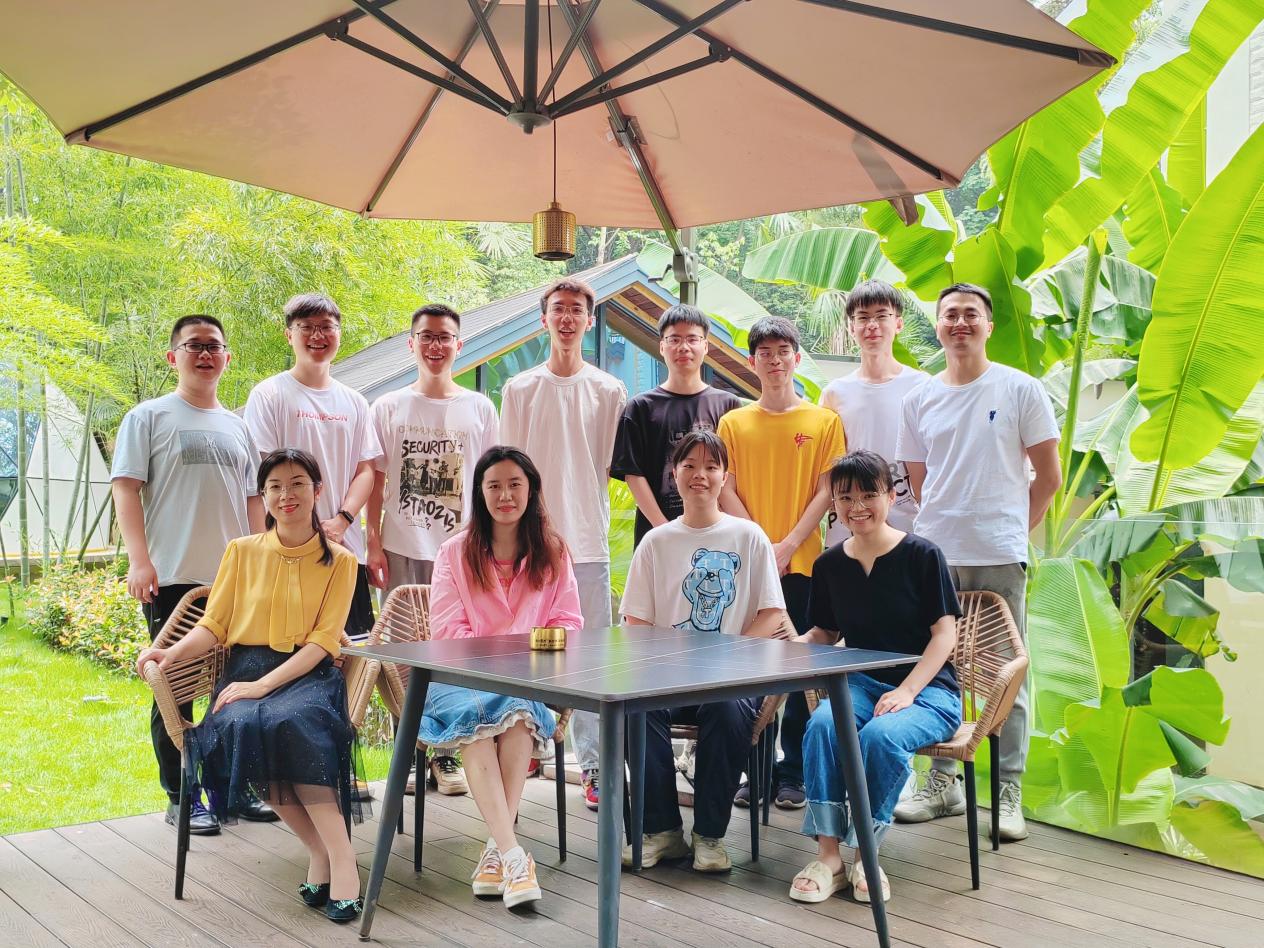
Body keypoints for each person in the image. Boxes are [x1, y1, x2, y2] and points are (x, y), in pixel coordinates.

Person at [135, 449, 365, 923]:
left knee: (292, 723)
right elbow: (214, 624)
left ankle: (344, 861)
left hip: (309, 675)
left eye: (297, 483)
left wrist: (264, 685)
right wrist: (170, 653)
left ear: (317, 491)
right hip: (244, 669)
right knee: (239, 726)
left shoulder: (342, 561)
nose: (286, 495)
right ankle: (318, 850)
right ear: (264, 495)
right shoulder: (241, 551)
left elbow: (324, 642)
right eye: (274, 486)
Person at [894, 283, 1061, 842]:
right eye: (950, 315)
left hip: (998, 555)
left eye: (971, 314)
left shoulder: (1020, 388)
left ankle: (1008, 791)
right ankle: (942, 782)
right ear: (938, 325)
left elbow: (1049, 477)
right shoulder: (919, 397)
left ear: (988, 325)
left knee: (1006, 673)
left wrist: (1010, 529)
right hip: (936, 556)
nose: (959, 323)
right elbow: (920, 479)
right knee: (937, 667)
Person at [112, 314, 266, 835]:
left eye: (214, 346)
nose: (205, 354)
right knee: (173, 686)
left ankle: (229, 788)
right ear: (172, 356)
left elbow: (254, 500)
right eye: (194, 345)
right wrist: (139, 560)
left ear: (227, 358)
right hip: (173, 577)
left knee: (234, 686)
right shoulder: (148, 417)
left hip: (234, 581)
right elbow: (125, 488)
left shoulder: (239, 426)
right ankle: (181, 795)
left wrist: (263, 561)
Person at [788, 450, 961, 905]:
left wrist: (907, 690)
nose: (857, 506)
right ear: (834, 503)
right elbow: (825, 632)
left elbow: (944, 635)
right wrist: (789, 647)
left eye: (868, 494)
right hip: (862, 684)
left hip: (929, 691)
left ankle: (867, 853)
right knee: (823, 726)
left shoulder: (923, 555)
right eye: (845, 497)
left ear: (890, 495)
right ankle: (829, 857)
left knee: (881, 737)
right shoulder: (829, 564)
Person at [620, 431, 789, 871]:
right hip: (667, 676)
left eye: (711, 467)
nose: (701, 475)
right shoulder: (656, 542)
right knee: (635, 709)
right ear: (674, 474)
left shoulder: (748, 536)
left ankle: (710, 836)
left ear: (724, 477)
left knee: (728, 709)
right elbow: (636, 622)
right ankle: (662, 831)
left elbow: (772, 613)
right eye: (690, 465)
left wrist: (724, 657)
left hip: (733, 676)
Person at [425, 446, 583, 909]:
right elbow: (448, 632)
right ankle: (513, 854)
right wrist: (510, 656)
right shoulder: (454, 552)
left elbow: (568, 623)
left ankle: (499, 852)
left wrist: (520, 663)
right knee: (486, 720)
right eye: (494, 485)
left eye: (515, 484)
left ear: (531, 490)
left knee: (513, 715)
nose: (505, 495)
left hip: (526, 681)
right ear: (480, 493)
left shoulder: (553, 552)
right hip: (457, 680)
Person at [500, 277, 626, 812]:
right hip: (528, 543)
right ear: (544, 319)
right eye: (558, 309)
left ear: (590, 320)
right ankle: (523, 742)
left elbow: (609, 467)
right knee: (522, 650)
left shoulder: (609, 391)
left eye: (577, 309)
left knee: (591, 659)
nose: (567, 317)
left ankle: (594, 766)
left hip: (588, 544)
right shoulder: (520, 389)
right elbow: (507, 469)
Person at [366, 303, 498, 798]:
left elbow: (490, 481)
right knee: (401, 655)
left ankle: (447, 753)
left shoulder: (479, 408)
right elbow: (376, 479)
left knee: (456, 651)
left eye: (445, 337)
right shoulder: (388, 406)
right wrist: (373, 541)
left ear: (459, 345)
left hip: (463, 551)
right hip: (402, 545)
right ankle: (410, 751)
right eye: (426, 336)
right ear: (412, 343)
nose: (435, 345)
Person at [717, 316, 846, 810]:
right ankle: (757, 772)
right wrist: (760, 544)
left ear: (797, 357)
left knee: (799, 664)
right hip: (748, 565)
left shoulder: (823, 421)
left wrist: (789, 544)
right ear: (752, 361)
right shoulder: (733, 422)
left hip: (805, 561)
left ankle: (794, 773)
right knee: (752, 666)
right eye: (765, 352)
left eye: (783, 351)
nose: (774, 360)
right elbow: (725, 486)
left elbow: (828, 489)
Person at [243, 293, 381, 639]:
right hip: (288, 549)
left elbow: (366, 470)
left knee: (355, 652)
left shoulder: (355, 402)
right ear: (289, 334)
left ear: (339, 334)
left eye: (326, 327)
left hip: (345, 547)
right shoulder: (269, 394)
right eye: (306, 327)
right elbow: (264, 472)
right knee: (291, 646)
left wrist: (342, 520)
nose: (317, 336)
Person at [612, 303, 741, 547]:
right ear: (662, 346)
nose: (683, 347)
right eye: (674, 339)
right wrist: (665, 530)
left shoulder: (729, 405)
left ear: (705, 346)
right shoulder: (640, 407)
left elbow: (732, 474)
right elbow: (633, 474)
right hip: (658, 536)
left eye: (692, 339)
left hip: (717, 536)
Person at [818, 280, 928, 545]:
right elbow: (826, 465)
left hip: (910, 523)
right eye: (863, 317)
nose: (872, 325)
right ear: (851, 327)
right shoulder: (834, 393)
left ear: (898, 323)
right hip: (850, 525)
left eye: (881, 316)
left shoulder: (923, 386)